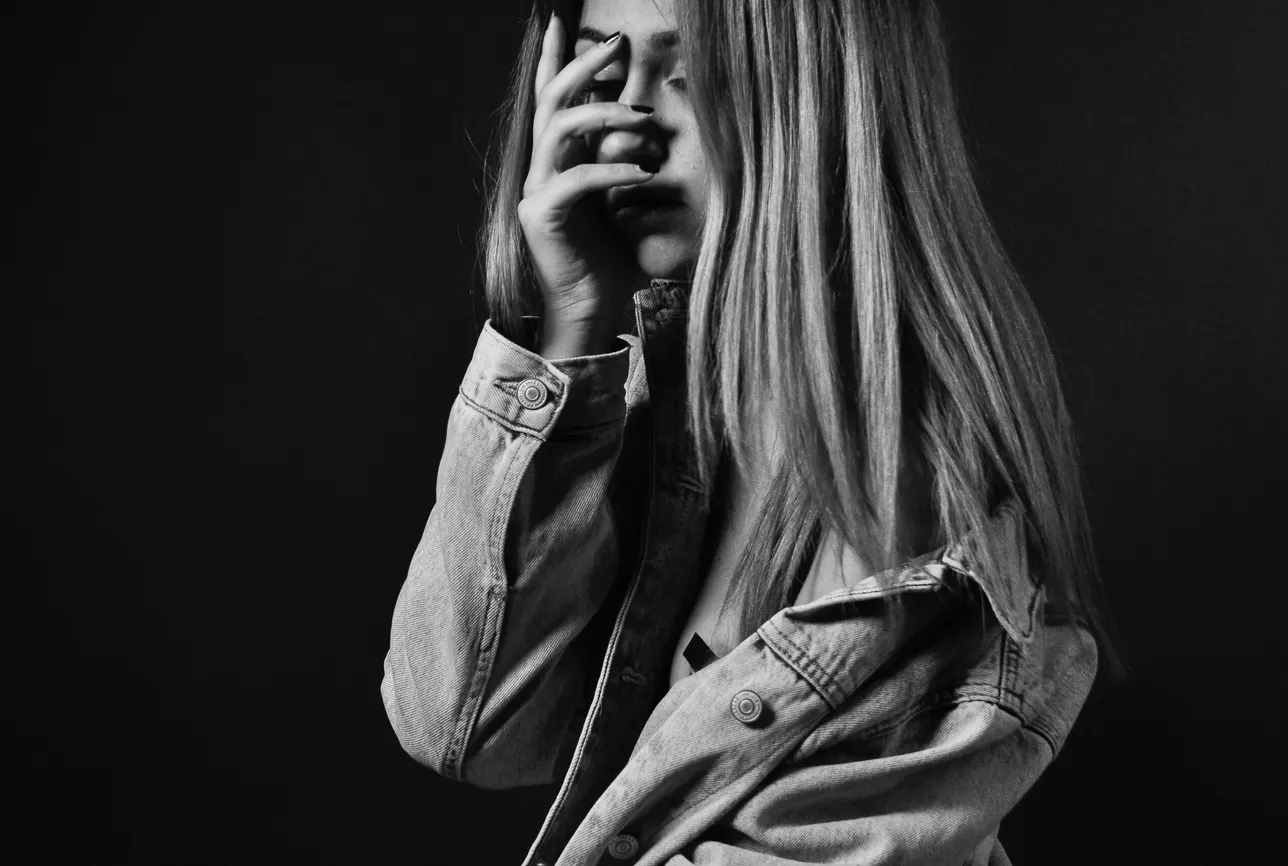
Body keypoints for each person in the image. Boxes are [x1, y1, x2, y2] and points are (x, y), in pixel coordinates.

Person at [381, 0, 1119, 862]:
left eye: (691, 79)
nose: (627, 133)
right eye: (605, 77)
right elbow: (462, 726)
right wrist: (573, 323)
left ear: (822, 97)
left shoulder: (910, 489)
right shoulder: (660, 388)